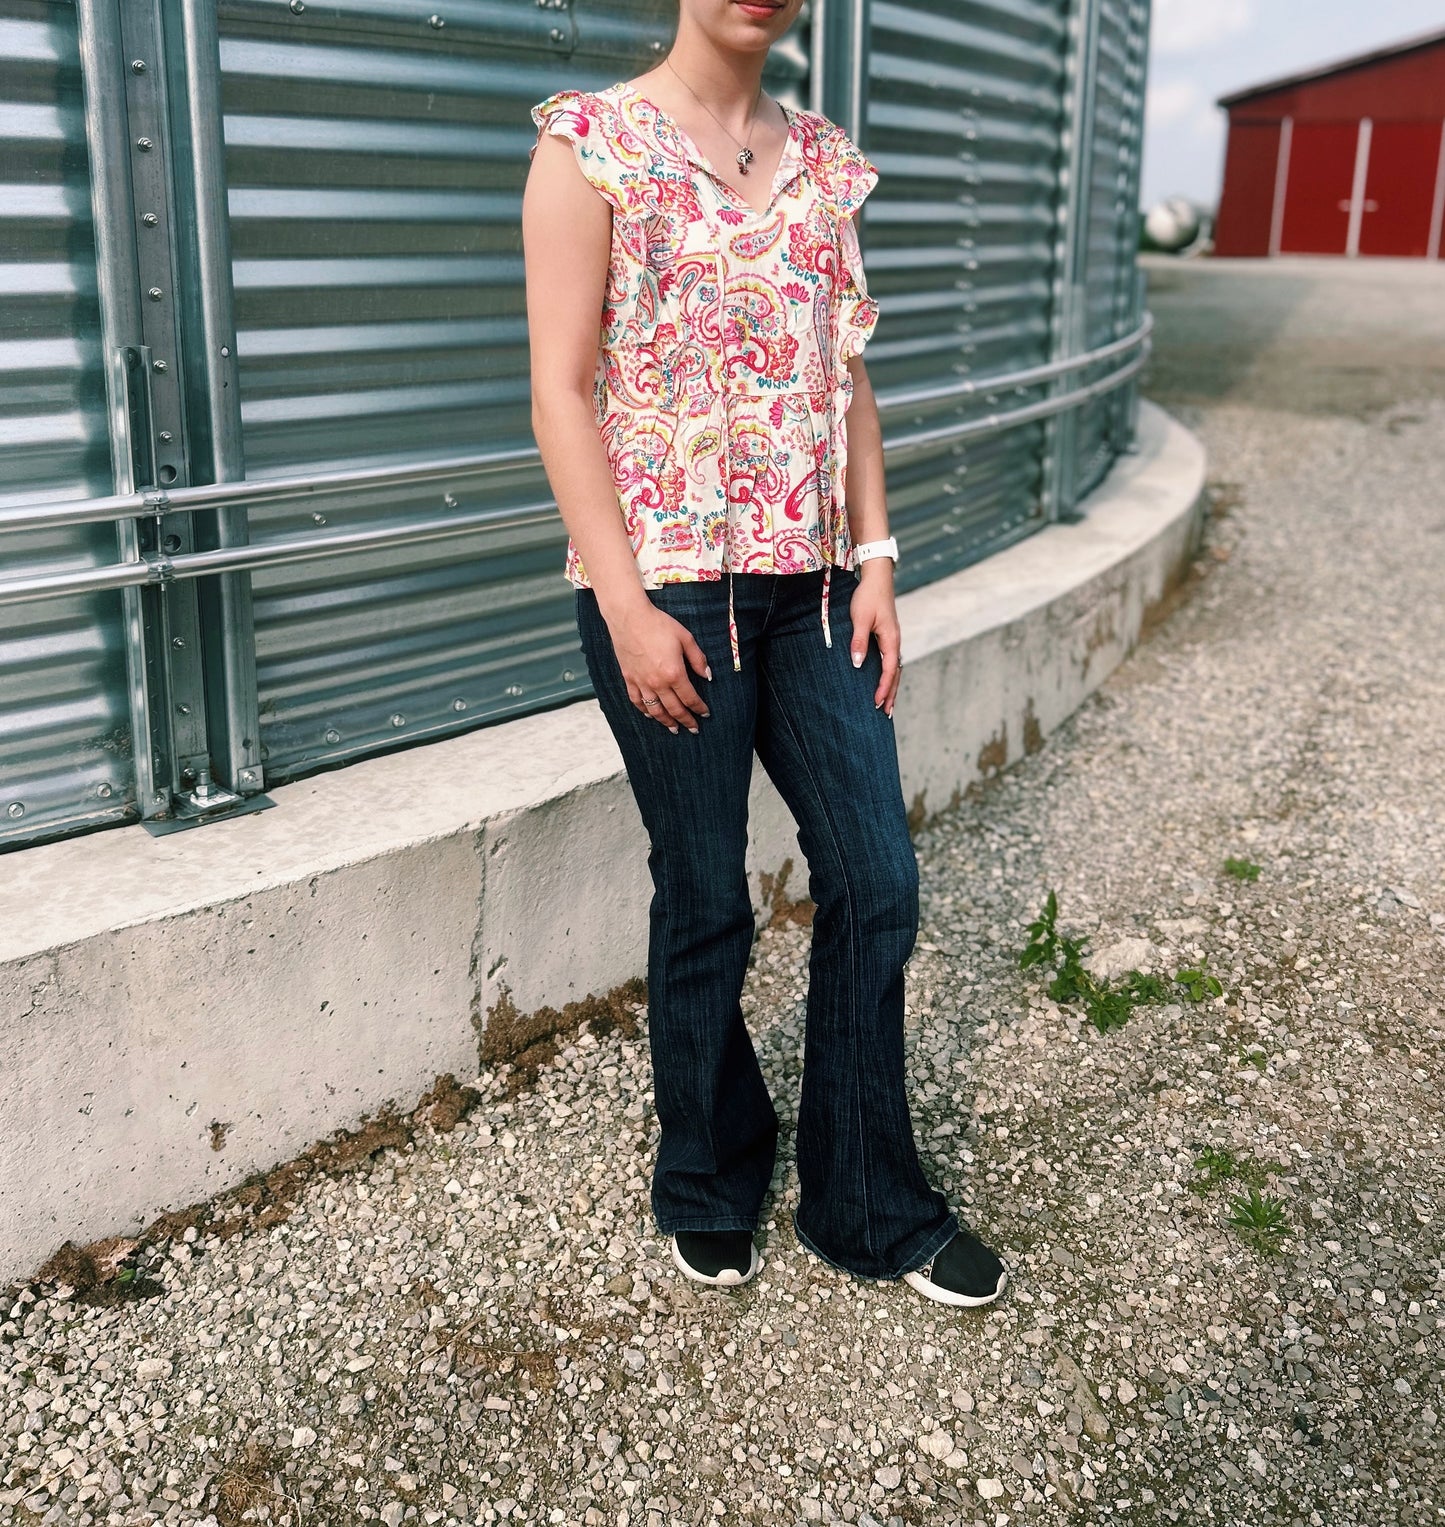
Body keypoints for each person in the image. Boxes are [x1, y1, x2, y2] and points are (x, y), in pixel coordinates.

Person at [521, 0, 1006, 1308]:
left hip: (809, 589)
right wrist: (623, 602)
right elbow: (560, 386)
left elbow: (844, 375)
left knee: (875, 877)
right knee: (706, 898)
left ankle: (863, 1203)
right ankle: (708, 1176)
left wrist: (881, 560)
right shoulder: (592, 146)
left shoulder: (823, 161)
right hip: (668, 590)